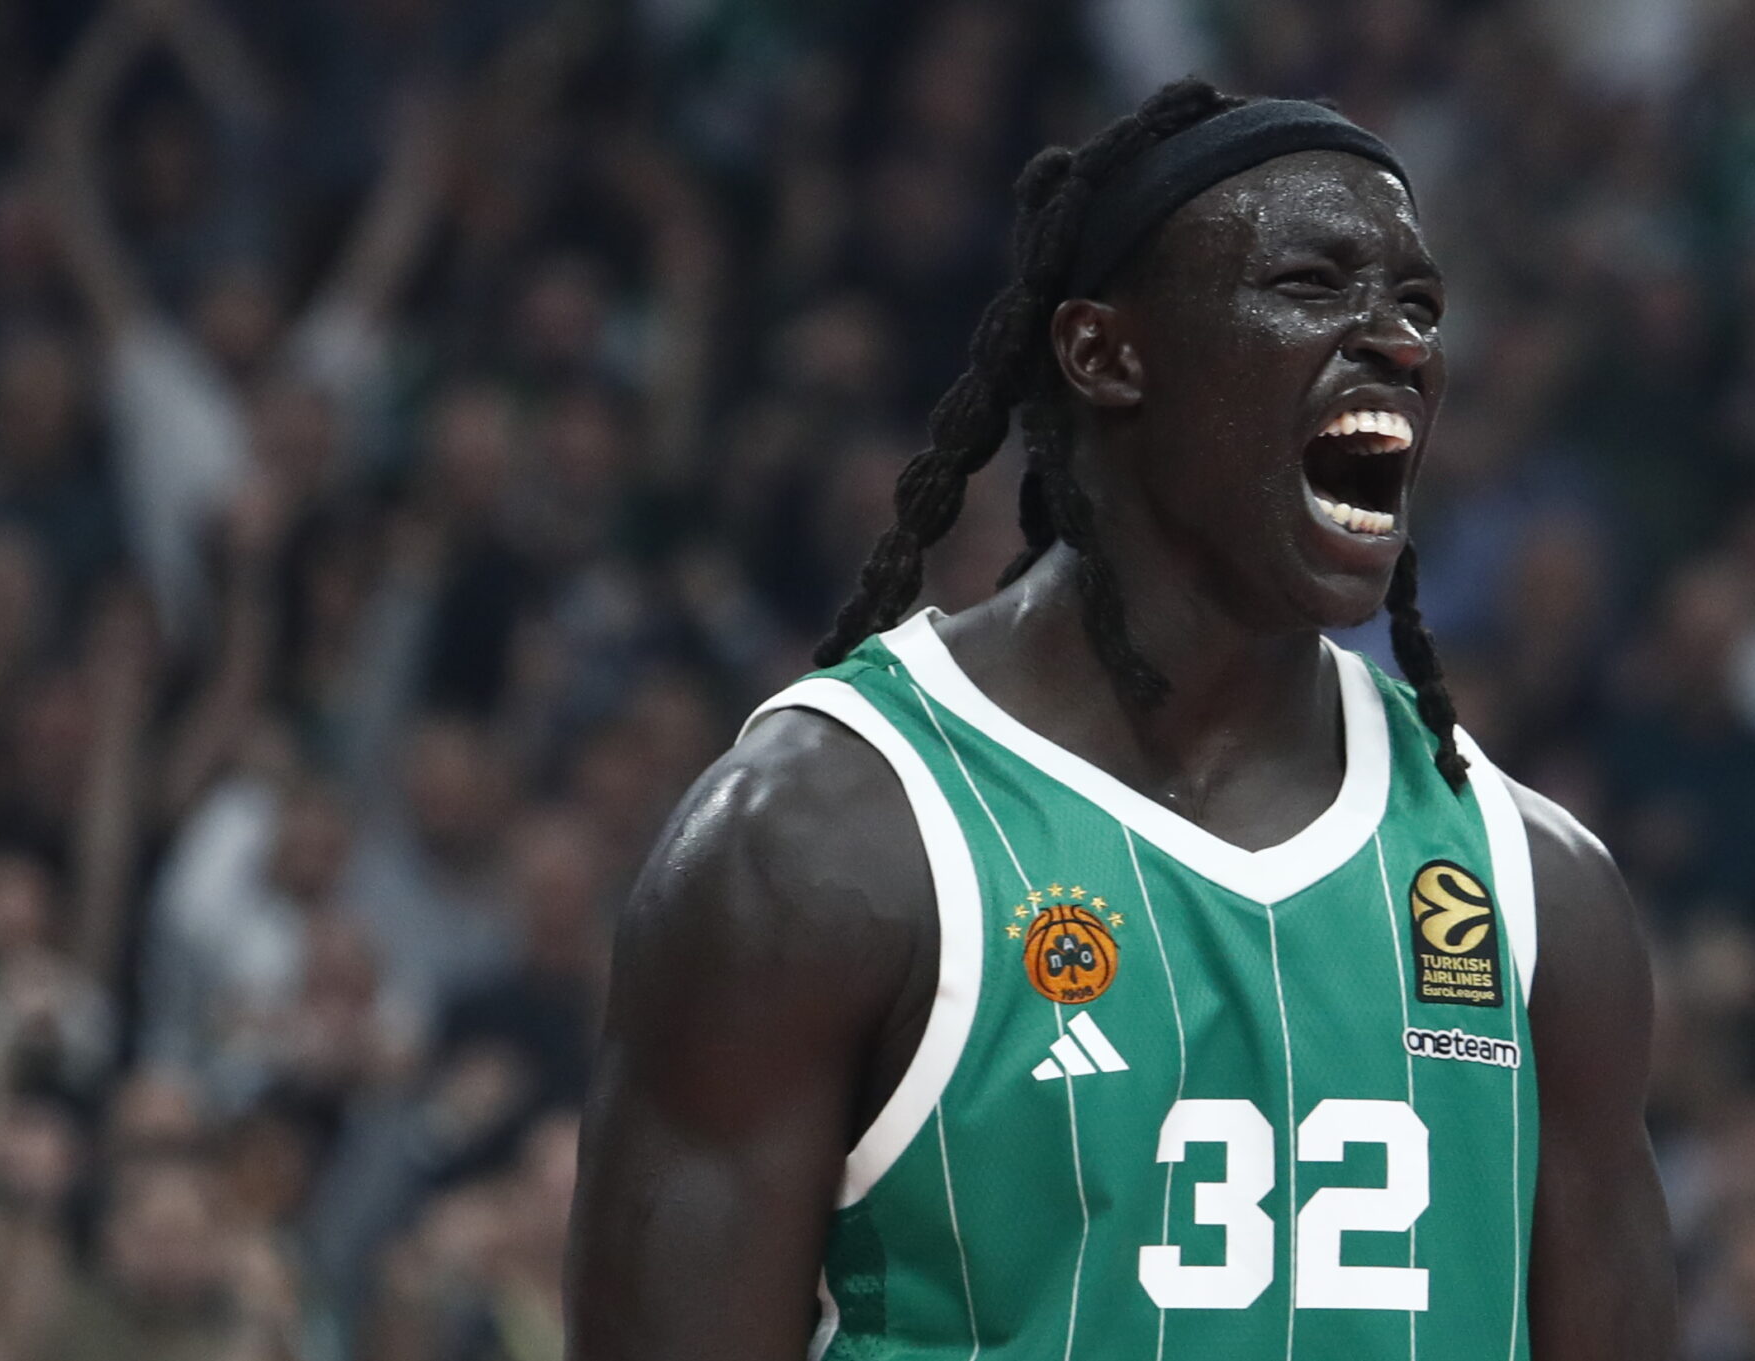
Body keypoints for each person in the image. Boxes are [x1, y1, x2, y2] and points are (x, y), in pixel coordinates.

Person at [568, 80, 1677, 1359]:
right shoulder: (818, 837)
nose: (1398, 343)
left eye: (1418, 306)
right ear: (1103, 353)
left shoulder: (1533, 889)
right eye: (1312, 284)